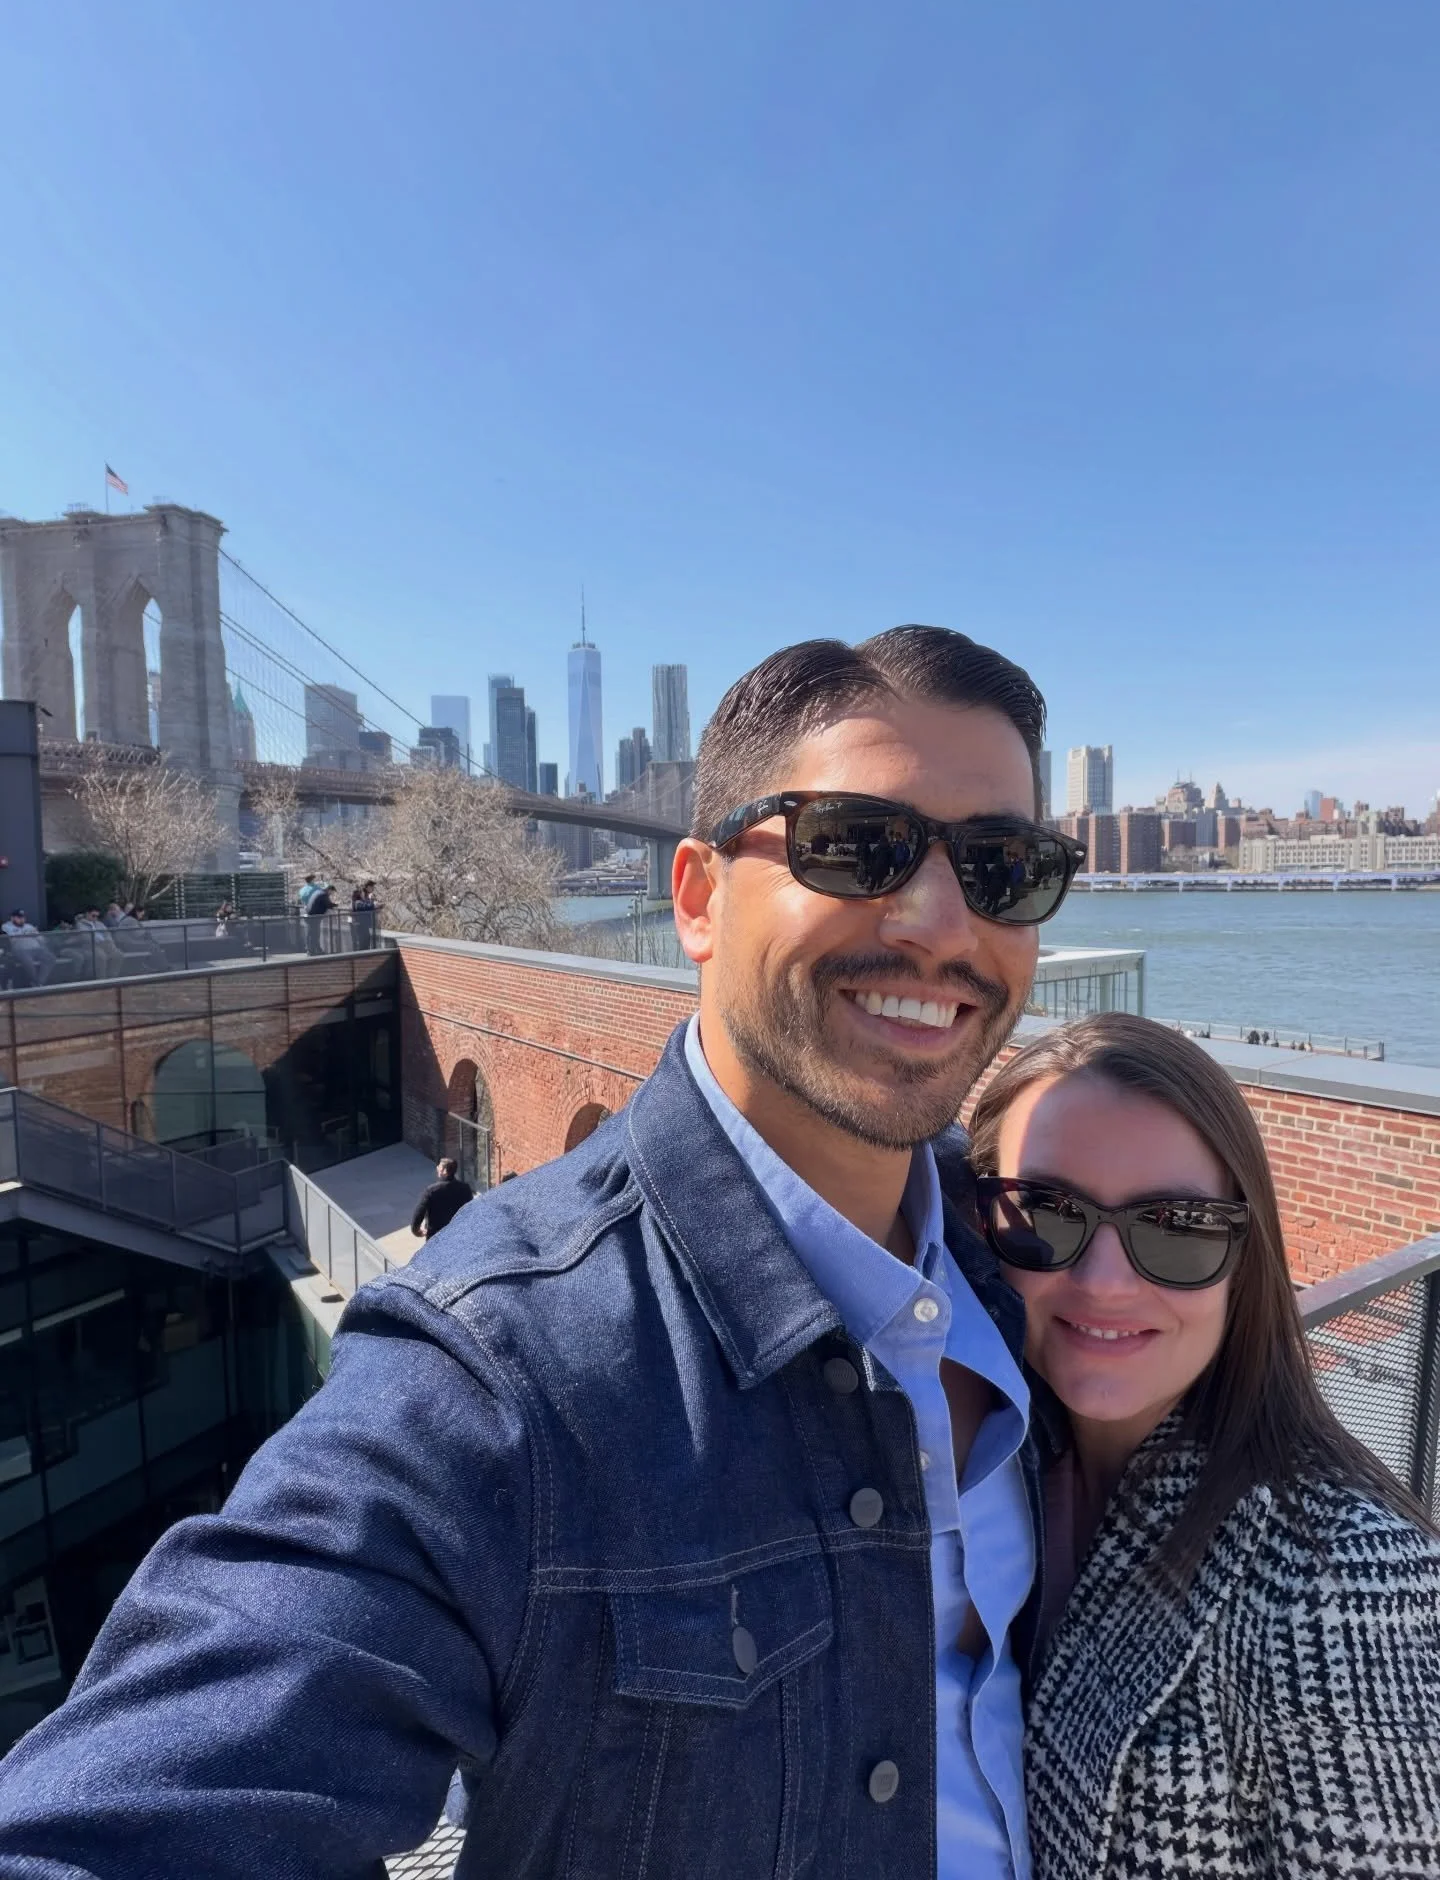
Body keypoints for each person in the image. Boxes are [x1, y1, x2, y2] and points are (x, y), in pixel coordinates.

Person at [0, 626, 1085, 1879]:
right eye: (857, 845)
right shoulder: (495, 1374)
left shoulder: (1032, 1257)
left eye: (1006, 867)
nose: (942, 921)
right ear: (695, 897)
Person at [966, 1012, 1440, 1877]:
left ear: (1244, 1260)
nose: (1103, 1282)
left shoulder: (1342, 1582)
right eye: (1045, 1213)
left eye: (1178, 1226)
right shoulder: (985, 1471)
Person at [408, 1157, 475, 1240]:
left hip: (436, 1235)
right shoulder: (465, 1188)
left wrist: (416, 1230)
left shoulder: (432, 1190)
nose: (437, 1168)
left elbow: (419, 1212)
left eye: (439, 1166)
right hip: (457, 1234)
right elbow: (471, 1210)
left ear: (445, 1171)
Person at [1, 909, 55, 987]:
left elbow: (42, 940)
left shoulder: (29, 926)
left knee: (50, 957)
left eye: (23, 917)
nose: (22, 919)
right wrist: (25, 933)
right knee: (28, 962)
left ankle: (39, 982)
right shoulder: (7, 926)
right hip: (21, 950)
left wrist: (36, 935)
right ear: (12, 918)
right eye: (19, 917)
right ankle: (35, 982)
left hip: (36, 949)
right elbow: (11, 940)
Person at [303, 882, 335, 956]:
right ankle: (313, 951)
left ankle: (312, 950)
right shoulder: (324, 895)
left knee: (311, 934)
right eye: (332, 892)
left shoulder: (318, 892)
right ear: (329, 890)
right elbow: (328, 904)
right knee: (315, 934)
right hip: (314, 917)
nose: (332, 894)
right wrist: (336, 905)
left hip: (310, 916)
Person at [351, 880, 379, 950]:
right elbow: (365, 906)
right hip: (360, 924)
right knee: (362, 942)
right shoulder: (358, 902)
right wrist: (373, 904)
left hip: (364, 923)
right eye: (372, 887)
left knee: (366, 940)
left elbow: (368, 905)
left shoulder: (363, 898)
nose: (373, 888)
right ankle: (362, 955)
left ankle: (364, 953)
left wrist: (373, 903)